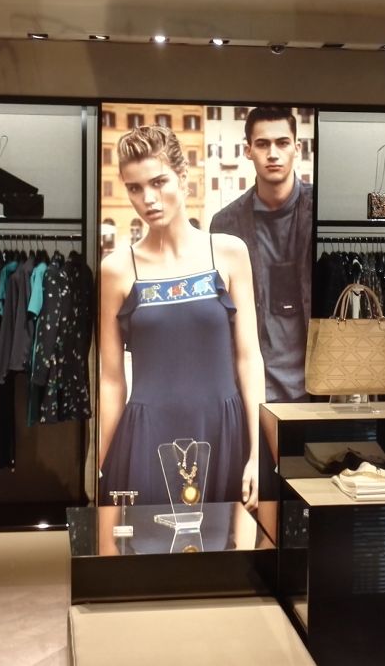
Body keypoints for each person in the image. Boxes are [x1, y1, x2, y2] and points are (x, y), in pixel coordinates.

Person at [99, 125, 265, 510]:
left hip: (223, 433)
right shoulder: (116, 270)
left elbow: (249, 358)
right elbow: (110, 380)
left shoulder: (228, 253)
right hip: (145, 438)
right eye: (135, 188)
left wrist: (258, 453)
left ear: (183, 177)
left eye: (158, 182)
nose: (148, 199)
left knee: (229, 545)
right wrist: (98, 466)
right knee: (145, 545)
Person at [210, 106, 313, 407]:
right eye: (263, 144)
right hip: (252, 387)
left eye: (282, 143)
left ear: (297, 148)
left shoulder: (321, 211)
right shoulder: (225, 224)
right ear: (248, 151)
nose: (273, 154)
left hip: (319, 386)